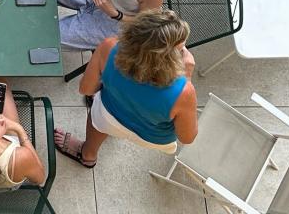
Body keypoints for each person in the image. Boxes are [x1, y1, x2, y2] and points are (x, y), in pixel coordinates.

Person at [54, 10, 198, 168]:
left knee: (98, 116)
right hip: (151, 137)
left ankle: (88, 155)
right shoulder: (184, 91)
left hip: (110, 115)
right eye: (181, 50)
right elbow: (187, 138)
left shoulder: (109, 47)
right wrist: (187, 77)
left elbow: (86, 89)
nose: (185, 53)